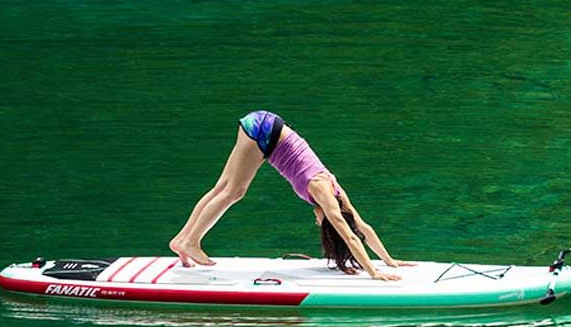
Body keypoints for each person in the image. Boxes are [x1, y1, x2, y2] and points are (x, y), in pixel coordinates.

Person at [169, 111, 408, 280]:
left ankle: (181, 241)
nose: (316, 221)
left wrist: (389, 260)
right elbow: (351, 237)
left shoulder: (338, 196)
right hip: (265, 133)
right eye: (321, 223)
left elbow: (363, 227)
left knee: (222, 187)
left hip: (266, 126)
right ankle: (191, 242)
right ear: (328, 219)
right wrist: (374, 273)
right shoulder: (324, 194)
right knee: (234, 191)